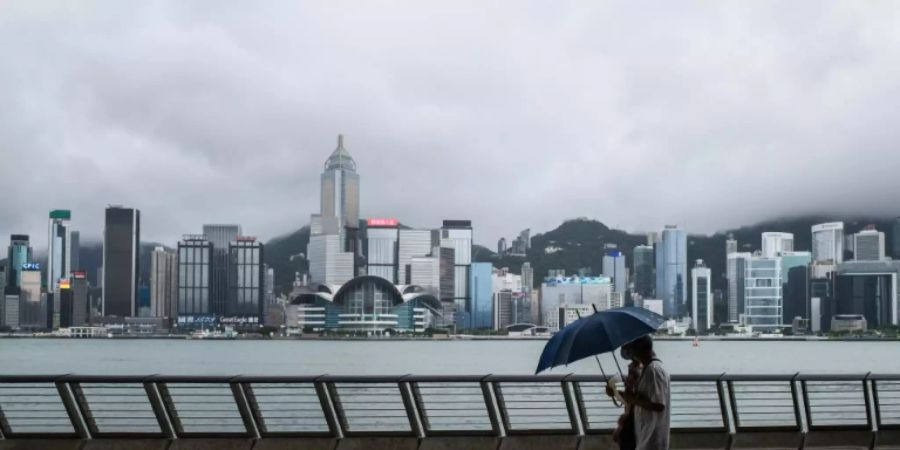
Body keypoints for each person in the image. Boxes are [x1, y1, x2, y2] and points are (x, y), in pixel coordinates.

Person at [621, 335, 670, 450]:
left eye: (632, 350)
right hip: (645, 435)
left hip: (653, 438)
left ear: (638, 350)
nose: (632, 355)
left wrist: (633, 399)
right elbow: (643, 398)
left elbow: (659, 405)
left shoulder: (654, 370)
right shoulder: (648, 369)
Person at [609, 346, 642, 450]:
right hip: (631, 416)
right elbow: (629, 397)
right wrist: (615, 393)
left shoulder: (641, 370)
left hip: (636, 419)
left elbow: (635, 396)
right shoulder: (635, 368)